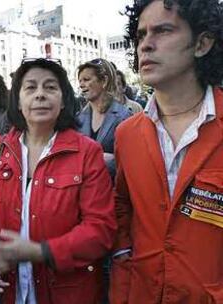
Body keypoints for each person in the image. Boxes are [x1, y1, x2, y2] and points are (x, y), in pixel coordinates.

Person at [0, 58, 117, 304]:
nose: (40, 94)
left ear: (63, 100)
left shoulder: (86, 152)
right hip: (14, 288)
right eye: (30, 87)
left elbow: (101, 229)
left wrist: (42, 251)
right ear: (17, 101)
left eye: (50, 87)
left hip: (69, 291)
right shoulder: (1, 148)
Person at [110, 1, 223, 303]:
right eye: (141, 35)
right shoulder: (127, 134)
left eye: (163, 30)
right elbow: (123, 209)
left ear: (202, 43)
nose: (146, 45)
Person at [77, 59, 131, 179]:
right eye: (80, 81)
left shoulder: (125, 116)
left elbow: (133, 162)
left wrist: (112, 160)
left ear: (104, 81)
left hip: (113, 190)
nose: (81, 85)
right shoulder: (78, 118)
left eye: (86, 79)